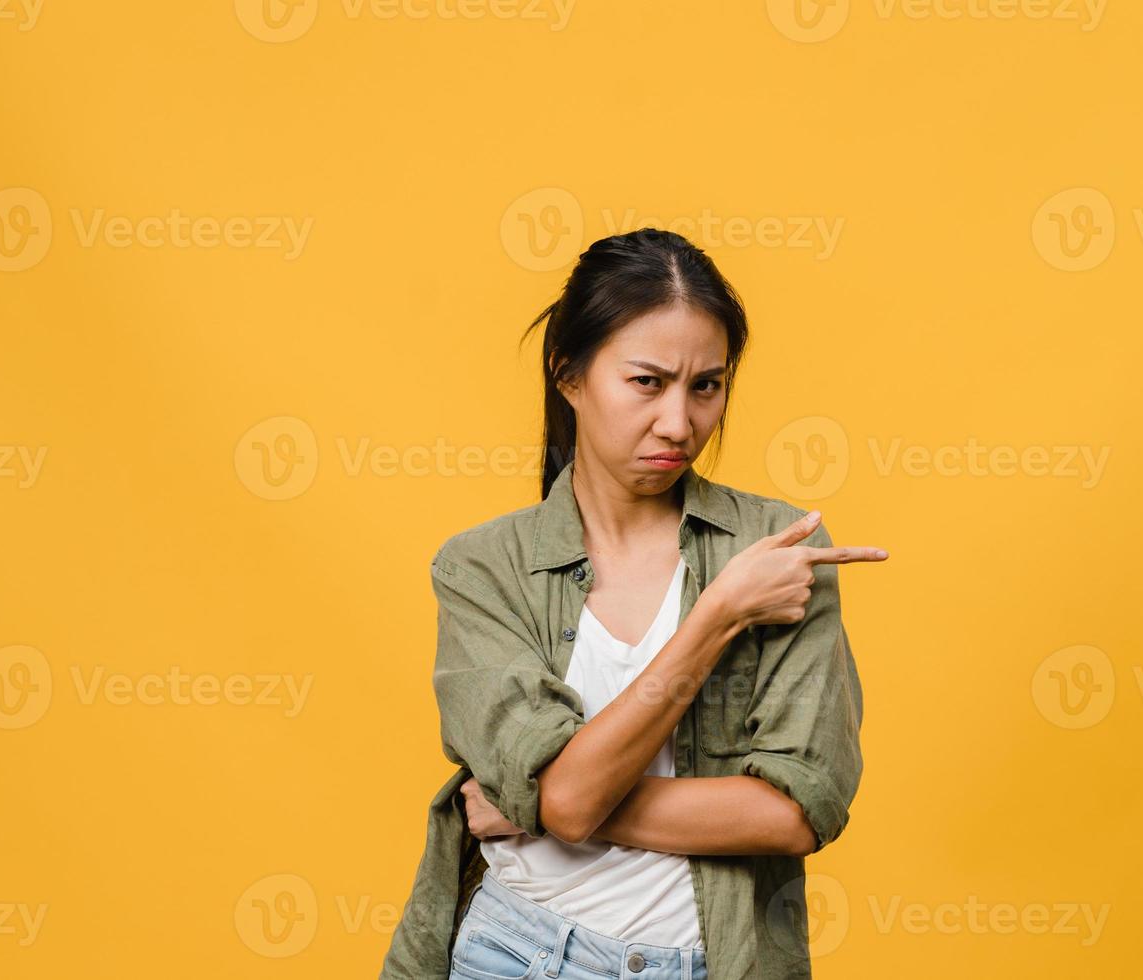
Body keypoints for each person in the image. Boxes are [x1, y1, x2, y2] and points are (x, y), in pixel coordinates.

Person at [380, 228, 888, 980]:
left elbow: (796, 814)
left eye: (706, 386)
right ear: (569, 375)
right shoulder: (483, 567)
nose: (680, 424)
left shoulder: (772, 549)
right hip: (513, 955)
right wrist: (718, 616)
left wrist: (547, 805)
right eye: (647, 382)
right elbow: (572, 800)